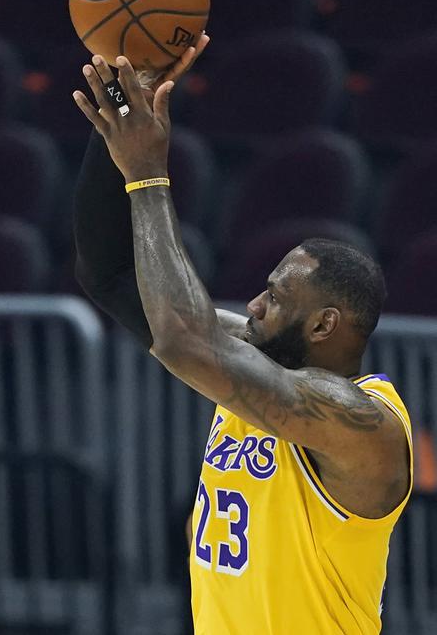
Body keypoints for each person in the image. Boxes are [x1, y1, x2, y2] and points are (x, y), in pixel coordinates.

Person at [71, 45, 412, 634]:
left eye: (276, 297)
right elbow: (109, 274)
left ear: (324, 325)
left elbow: (187, 342)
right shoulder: (256, 364)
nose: (253, 305)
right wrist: (121, 121)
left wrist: (148, 175)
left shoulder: (365, 425)